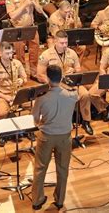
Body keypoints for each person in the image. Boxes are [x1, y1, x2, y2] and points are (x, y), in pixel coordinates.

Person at [31, 65, 77, 210]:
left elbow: (35, 119)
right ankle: (59, 200)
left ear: (48, 78)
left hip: (46, 137)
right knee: (63, 169)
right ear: (61, 77)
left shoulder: (42, 98)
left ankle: (37, 201)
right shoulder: (72, 95)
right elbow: (72, 92)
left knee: (40, 169)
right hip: (65, 137)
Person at [37, 30, 93, 135]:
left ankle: (86, 121)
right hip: (55, 85)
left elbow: (78, 69)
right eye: (61, 43)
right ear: (55, 42)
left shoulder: (72, 53)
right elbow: (40, 75)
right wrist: (52, 82)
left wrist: (74, 71)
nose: (64, 45)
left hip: (71, 82)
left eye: (66, 43)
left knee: (85, 94)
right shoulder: (46, 55)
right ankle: (64, 123)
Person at [6, 0, 46, 80]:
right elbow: (13, 16)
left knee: (34, 51)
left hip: (31, 27)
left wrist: (35, 3)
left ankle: (33, 73)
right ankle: (22, 75)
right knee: (20, 54)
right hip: (18, 28)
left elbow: (40, 11)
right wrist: (25, 4)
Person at [0, 41, 27, 120]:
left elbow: (25, 78)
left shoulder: (17, 63)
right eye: (7, 53)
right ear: (0, 53)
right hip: (3, 95)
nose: (10, 56)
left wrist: (22, 80)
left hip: (17, 93)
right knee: (1, 113)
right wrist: (4, 96)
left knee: (36, 104)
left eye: (11, 53)